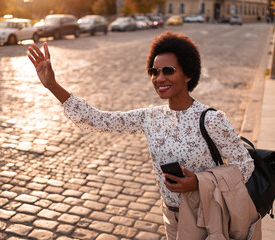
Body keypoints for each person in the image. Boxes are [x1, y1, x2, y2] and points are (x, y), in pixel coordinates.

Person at [28, 31, 256, 239]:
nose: (159, 78)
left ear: (188, 74)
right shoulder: (150, 117)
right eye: (154, 72)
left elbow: (245, 165)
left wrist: (197, 182)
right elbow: (98, 119)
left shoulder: (211, 119)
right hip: (170, 216)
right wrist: (52, 85)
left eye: (168, 70)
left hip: (205, 216)